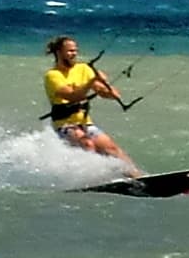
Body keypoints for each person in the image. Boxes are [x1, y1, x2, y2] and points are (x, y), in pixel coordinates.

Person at [42, 36, 139, 171]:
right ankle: (94, 178)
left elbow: (112, 94)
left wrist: (105, 84)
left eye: (75, 51)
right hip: (64, 125)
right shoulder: (53, 75)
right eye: (69, 51)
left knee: (112, 148)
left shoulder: (83, 68)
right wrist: (92, 80)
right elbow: (73, 96)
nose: (74, 54)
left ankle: (138, 177)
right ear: (59, 52)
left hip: (85, 123)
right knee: (88, 144)